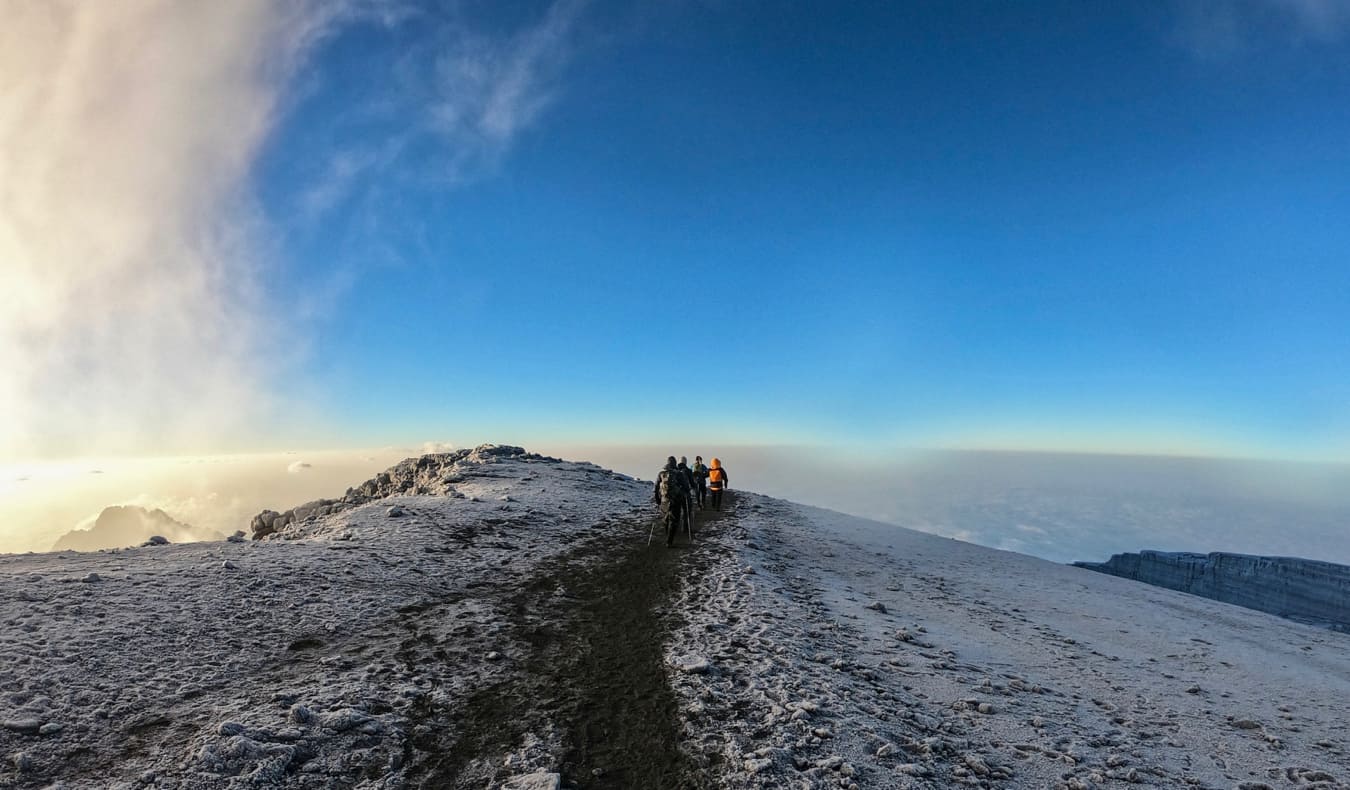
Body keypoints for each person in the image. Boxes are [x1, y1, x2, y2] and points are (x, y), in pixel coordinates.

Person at [653, 455, 691, 546]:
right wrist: (685, 493)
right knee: (674, 520)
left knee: (665, 519)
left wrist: (658, 499)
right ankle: (669, 541)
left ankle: (667, 535)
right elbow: (686, 486)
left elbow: (656, 487)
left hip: (664, 499)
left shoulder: (661, 473)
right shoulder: (678, 473)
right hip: (676, 499)